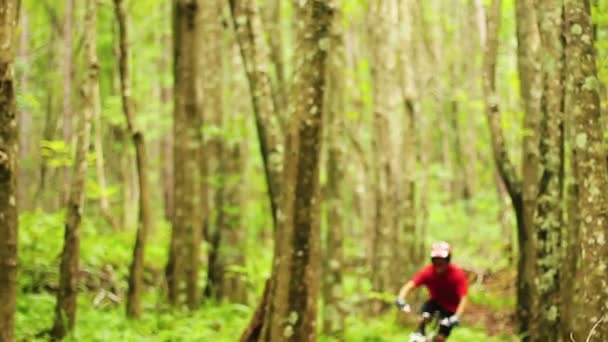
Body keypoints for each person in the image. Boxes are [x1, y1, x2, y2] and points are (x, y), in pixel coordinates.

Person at [395, 241, 468, 342]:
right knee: (423, 317)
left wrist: (457, 316)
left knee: (440, 338)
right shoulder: (428, 272)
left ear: (448, 260)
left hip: (451, 308)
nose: (439, 265)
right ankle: (419, 334)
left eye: (442, 261)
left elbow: (463, 298)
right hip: (435, 302)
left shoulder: (457, 274)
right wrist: (400, 299)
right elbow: (409, 286)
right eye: (435, 261)